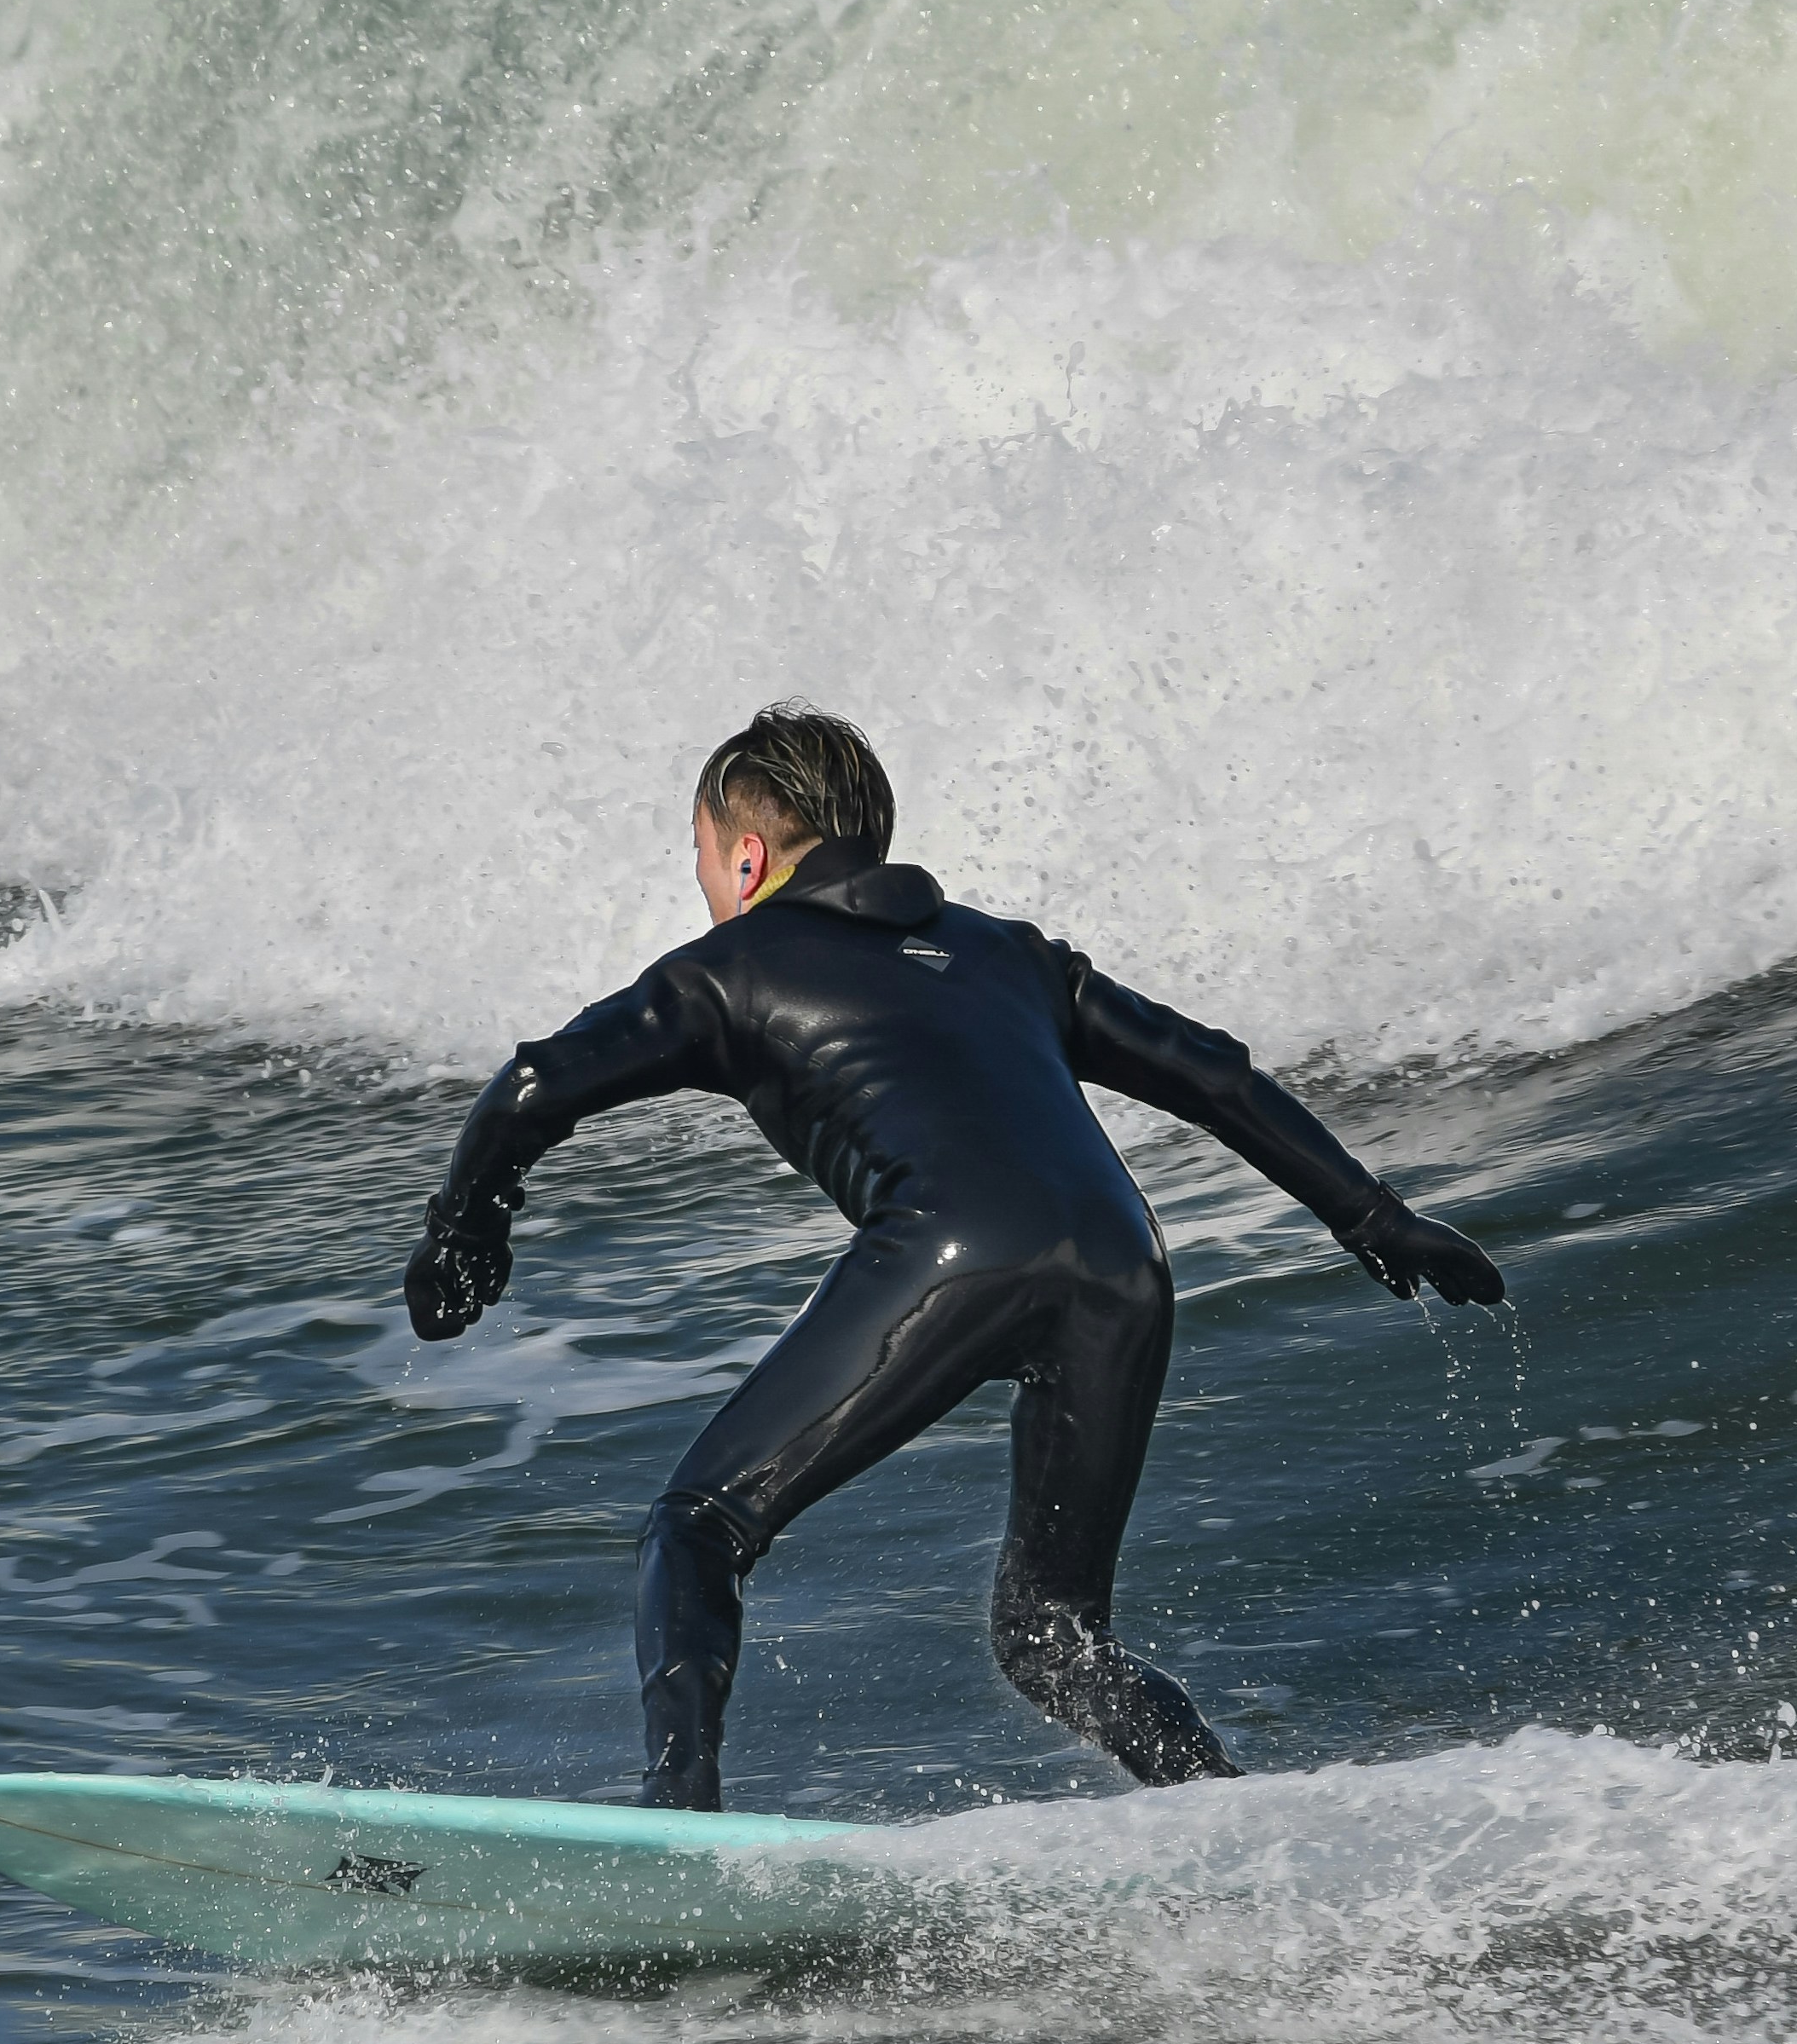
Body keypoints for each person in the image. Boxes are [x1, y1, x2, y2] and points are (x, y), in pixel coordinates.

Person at [402, 705, 1503, 1810]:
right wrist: (1374, 1220)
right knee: (1053, 1636)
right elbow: (1209, 1073)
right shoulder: (1008, 952)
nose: (702, 884)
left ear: (745, 855)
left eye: (699, 857)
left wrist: (466, 1228)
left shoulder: (724, 968)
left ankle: (674, 1818)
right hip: (1123, 1265)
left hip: (956, 1248)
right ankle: (1230, 1817)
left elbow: (535, 1083)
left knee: (696, 1525)